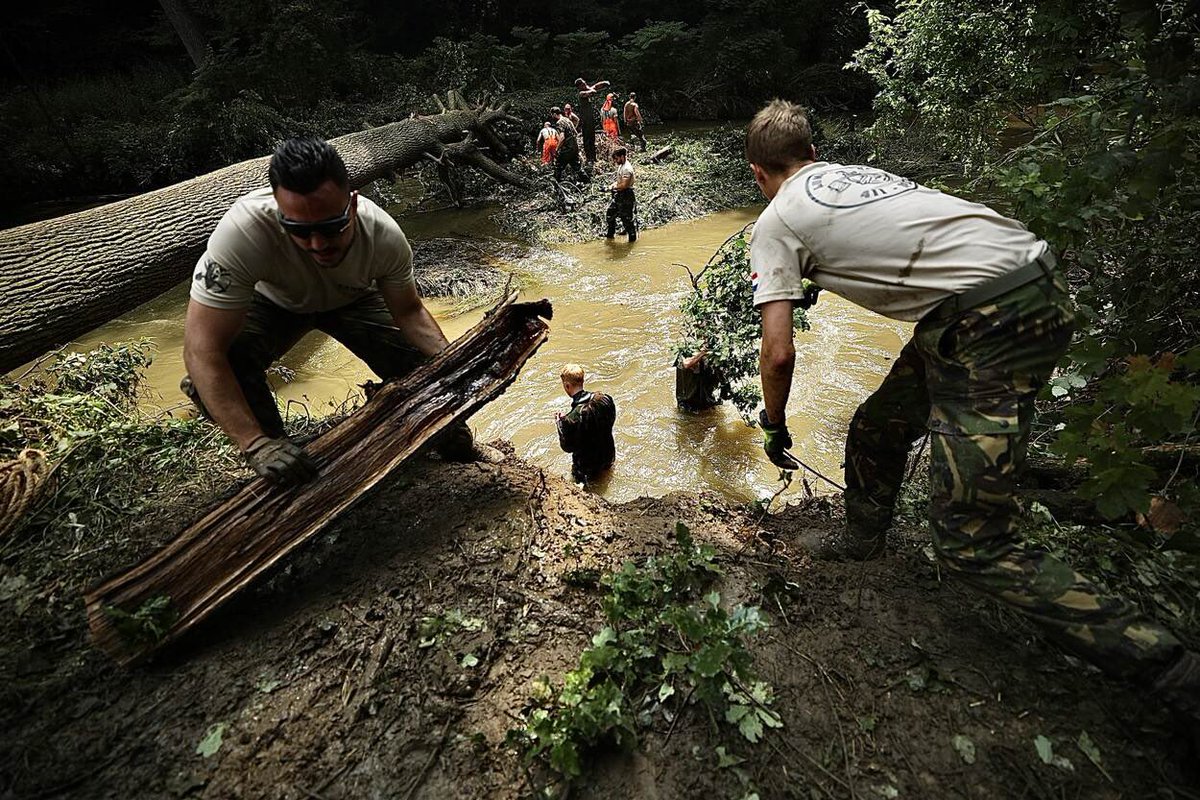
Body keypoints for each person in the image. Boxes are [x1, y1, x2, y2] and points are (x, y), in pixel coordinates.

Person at [745, 98, 1199, 735]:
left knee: (971, 541)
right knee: (879, 425)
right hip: (1023, 285)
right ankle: (864, 538)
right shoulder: (854, 176)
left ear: (760, 173)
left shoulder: (774, 220)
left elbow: (778, 351)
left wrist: (773, 422)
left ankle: (1172, 669)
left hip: (984, 318)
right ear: (812, 154)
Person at [181, 136, 499, 487]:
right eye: (300, 230)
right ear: (278, 210)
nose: (318, 244)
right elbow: (202, 347)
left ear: (352, 204)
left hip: (353, 299)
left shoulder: (382, 235)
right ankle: (271, 445)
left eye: (331, 227)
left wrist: (455, 367)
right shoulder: (243, 231)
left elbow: (409, 313)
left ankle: (451, 441)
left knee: (418, 366)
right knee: (227, 360)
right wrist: (255, 445)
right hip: (273, 303)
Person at [555, 364, 616, 484]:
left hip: (587, 468)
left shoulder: (570, 419)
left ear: (567, 385)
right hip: (608, 456)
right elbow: (611, 420)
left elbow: (567, 447)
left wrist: (560, 424)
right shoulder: (605, 399)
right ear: (582, 380)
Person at [574, 77, 611, 165]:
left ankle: (594, 157)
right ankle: (589, 158)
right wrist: (592, 88)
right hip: (585, 120)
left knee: (592, 138)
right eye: (583, 84)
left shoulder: (587, 89)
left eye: (585, 82)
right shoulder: (581, 93)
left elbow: (596, 86)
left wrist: (604, 82)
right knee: (587, 139)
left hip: (590, 119)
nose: (585, 84)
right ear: (579, 87)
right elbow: (592, 91)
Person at [604, 146, 636, 242]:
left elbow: (624, 185)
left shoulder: (627, 169)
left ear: (622, 157)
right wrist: (609, 186)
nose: (615, 161)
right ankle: (610, 236)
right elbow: (619, 182)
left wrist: (612, 188)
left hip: (626, 196)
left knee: (627, 220)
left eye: (617, 158)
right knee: (610, 214)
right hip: (619, 195)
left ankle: (632, 241)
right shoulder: (621, 166)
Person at [550, 106, 584, 184]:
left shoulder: (559, 123)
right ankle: (587, 181)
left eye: (552, 115)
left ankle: (555, 184)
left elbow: (562, 138)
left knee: (558, 165)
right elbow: (575, 132)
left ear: (555, 114)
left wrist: (556, 149)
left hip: (567, 148)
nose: (552, 117)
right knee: (576, 166)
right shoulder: (567, 120)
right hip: (574, 147)